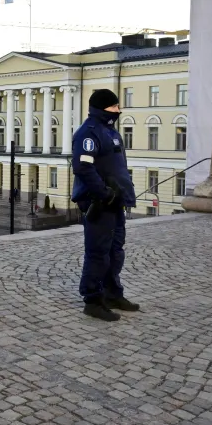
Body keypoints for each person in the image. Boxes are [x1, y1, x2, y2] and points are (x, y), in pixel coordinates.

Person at [70, 89, 140, 322]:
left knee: (115, 252)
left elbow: (117, 168)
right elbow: (83, 168)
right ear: (102, 108)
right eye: (113, 107)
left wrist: (122, 194)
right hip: (99, 204)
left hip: (115, 203)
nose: (118, 110)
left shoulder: (111, 133)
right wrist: (103, 193)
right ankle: (92, 299)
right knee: (98, 253)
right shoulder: (88, 134)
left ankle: (112, 294)